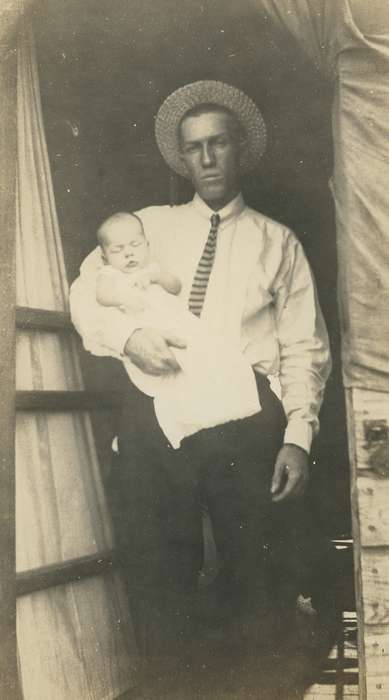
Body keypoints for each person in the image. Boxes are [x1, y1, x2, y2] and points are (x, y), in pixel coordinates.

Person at [70, 80, 331, 673]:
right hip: (157, 409)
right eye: (194, 148)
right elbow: (85, 293)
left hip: (243, 416)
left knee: (255, 580)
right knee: (160, 574)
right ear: (181, 158)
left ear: (240, 149)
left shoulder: (277, 242)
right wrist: (129, 338)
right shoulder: (145, 227)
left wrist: (298, 436)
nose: (207, 159)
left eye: (219, 144)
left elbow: (303, 346)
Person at [94, 210, 261, 448]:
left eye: (135, 245)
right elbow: (102, 296)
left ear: (147, 245)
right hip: (148, 334)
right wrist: (124, 295)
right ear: (104, 257)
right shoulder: (110, 275)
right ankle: (176, 419)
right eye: (117, 250)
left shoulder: (151, 269)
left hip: (178, 325)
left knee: (210, 359)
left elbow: (175, 286)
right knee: (169, 378)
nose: (128, 253)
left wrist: (156, 276)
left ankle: (215, 406)